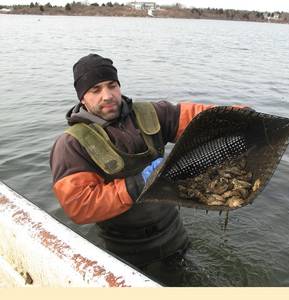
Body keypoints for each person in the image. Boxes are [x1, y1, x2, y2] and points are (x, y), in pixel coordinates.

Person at [50, 53, 216, 270]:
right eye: (95, 90)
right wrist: (138, 184)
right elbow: (80, 206)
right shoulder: (71, 145)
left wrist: (238, 115)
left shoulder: (152, 113)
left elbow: (197, 118)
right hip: (127, 250)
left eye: (112, 85)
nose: (107, 95)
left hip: (173, 233)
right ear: (82, 97)